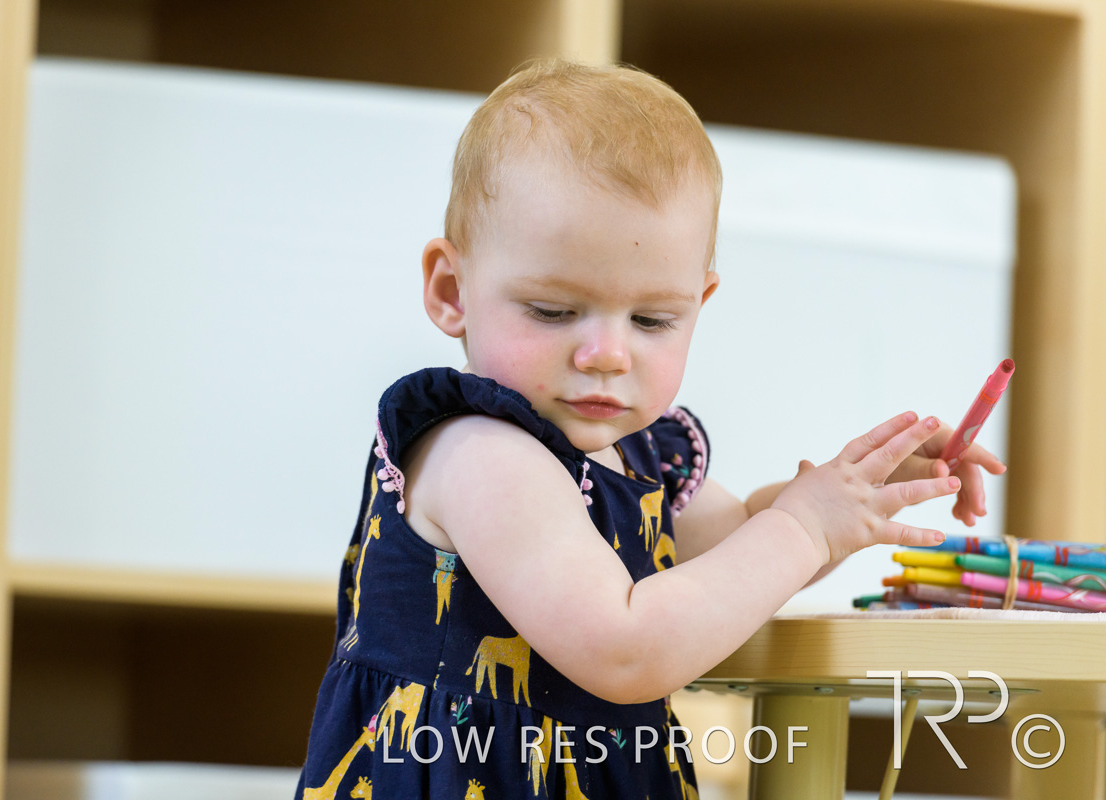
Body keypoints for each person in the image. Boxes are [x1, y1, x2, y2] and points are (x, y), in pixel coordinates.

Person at [294, 58, 1006, 800]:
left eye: (652, 320)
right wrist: (805, 528)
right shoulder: (481, 453)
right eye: (553, 311)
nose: (607, 354)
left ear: (700, 303)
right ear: (452, 291)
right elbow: (626, 649)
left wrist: (853, 491)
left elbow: (738, 552)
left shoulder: (638, 454)